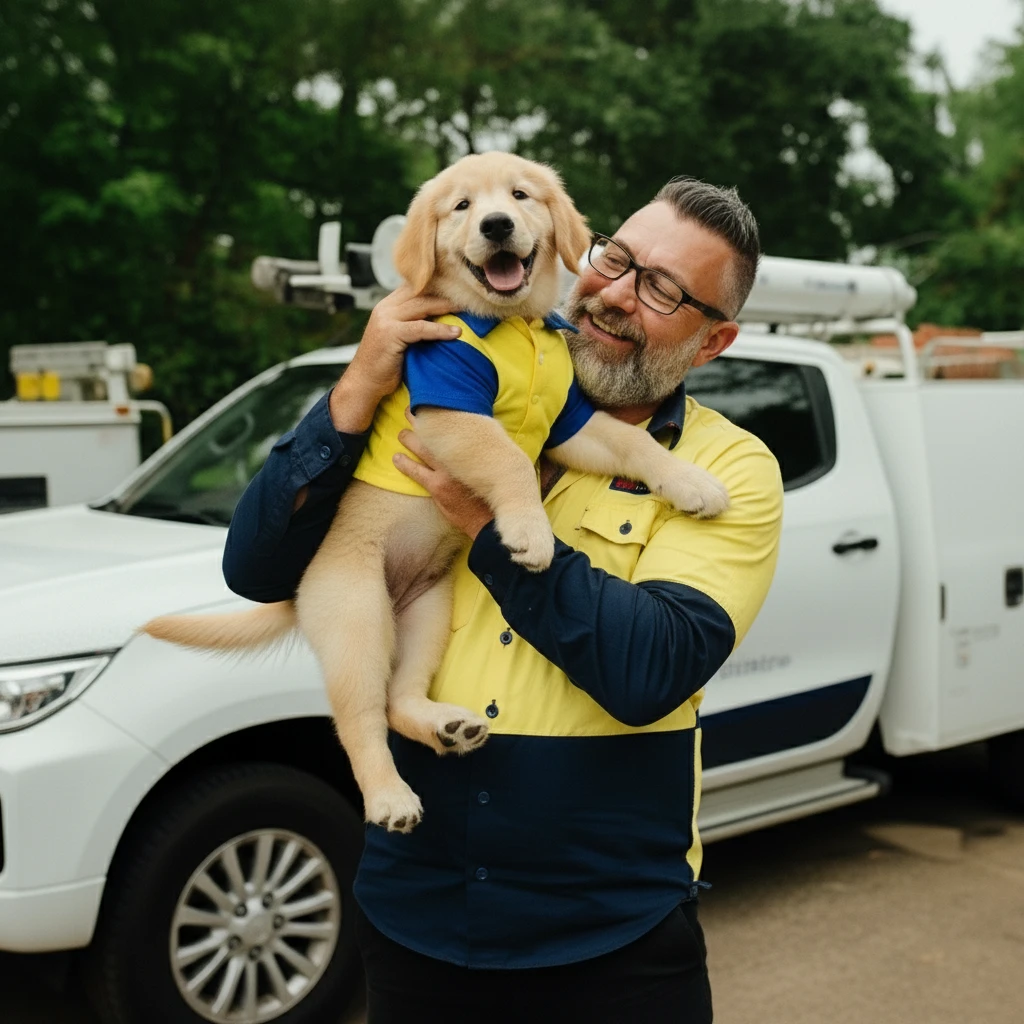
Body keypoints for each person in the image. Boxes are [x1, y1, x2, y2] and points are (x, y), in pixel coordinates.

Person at [223, 176, 783, 1023]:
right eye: (617, 259)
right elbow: (258, 569)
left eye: (663, 289)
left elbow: (647, 670)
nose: (617, 294)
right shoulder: (437, 374)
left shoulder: (731, 471)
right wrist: (353, 391)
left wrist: (486, 523)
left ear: (714, 341)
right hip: (419, 913)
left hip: (609, 933)